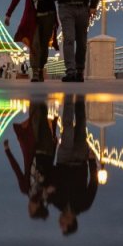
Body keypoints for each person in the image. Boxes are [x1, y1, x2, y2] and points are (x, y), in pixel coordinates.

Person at [49, 94, 98, 234]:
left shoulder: (56, 203)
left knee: (68, 128)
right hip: (80, 159)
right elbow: (93, 184)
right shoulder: (84, 205)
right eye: (63, 225)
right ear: (71, 222)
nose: (59, 222)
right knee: (81, 124)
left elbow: (51, 180)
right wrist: (92, 161)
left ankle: (69, 98)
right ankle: (80, 99)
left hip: (63, 160)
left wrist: (48, 189)